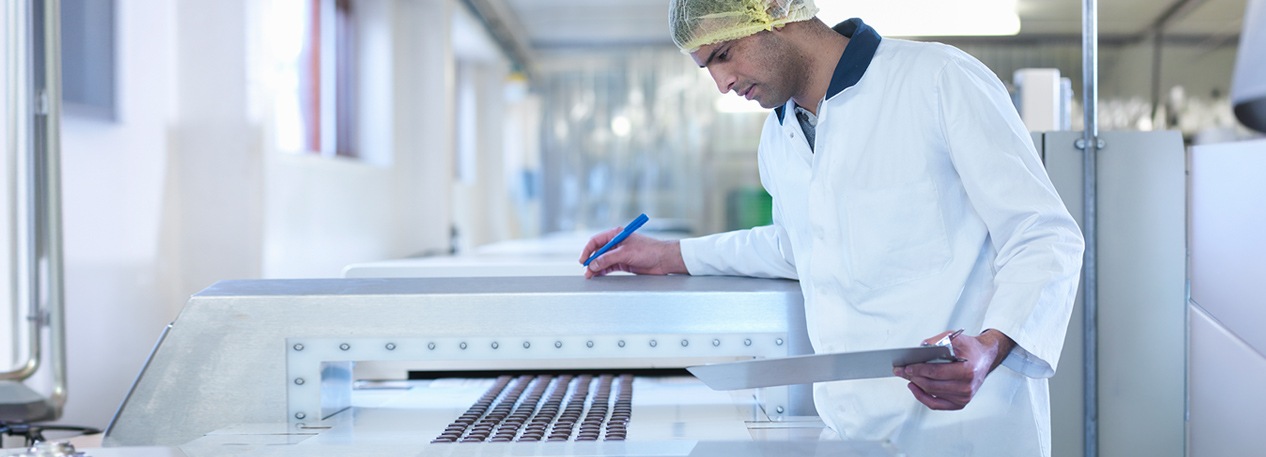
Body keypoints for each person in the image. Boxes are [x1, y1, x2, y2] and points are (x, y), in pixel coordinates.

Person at [577, 1, 1085, 456]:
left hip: (965, 429)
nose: (721, 83)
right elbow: (797, 245)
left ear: (774, 10)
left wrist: (991, 346)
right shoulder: (779, 136)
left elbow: (1042, 234)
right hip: (850, 431)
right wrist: (667, 256)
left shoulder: (936, 80)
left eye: (724, 54)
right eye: (707, 66)